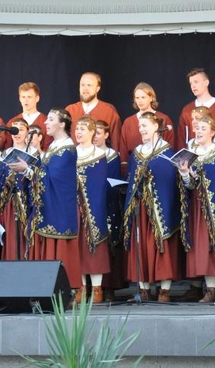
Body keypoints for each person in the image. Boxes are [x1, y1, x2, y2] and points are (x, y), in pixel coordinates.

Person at [12, 109, 81, 290]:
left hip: (59, 208)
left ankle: (63, 288)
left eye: (51, 120)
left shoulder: (67, 149)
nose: (46, 123)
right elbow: (46, 173)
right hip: (50, 206)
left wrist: (27, 169)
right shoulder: (55, 146)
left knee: (58, 249)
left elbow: (54, 178)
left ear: (62, 124)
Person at [123, 112, 181, 302]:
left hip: (159, 206)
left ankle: (164, 289)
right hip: (140, 205)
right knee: (141, 244)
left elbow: (169, 181)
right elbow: (132, 179)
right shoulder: (137, 153)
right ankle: (143, 288)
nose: (141, 130)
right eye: (140, 127)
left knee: (161, 244)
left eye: (145, 126)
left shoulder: (167, 153)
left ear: (156, 126)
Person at [178, 115, 215, 303]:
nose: (199, 131)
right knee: (204, 247)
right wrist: (186, 173)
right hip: (200, 207)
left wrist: (200, 175)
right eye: (197, 128)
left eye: (203, 128)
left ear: (212, 132)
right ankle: (211, 290)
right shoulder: (191, 154)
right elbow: (189, 186)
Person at [74, 117, 110, 303]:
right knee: (78, 245)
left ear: (91, 132)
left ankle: (97, 288)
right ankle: (81, 286)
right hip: (75, 206)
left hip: (93, 206)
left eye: (83, 129)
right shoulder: (72, 153)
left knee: (95, 244)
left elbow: (99, 184)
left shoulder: (99, 155)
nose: (78, 132)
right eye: (77, 129)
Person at [0, 119, 38, 261]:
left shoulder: (35, 153)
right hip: (10, 202)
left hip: (29, 201)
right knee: (12, 237)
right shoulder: (5, 154)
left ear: (27, 132)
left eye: (21, 129)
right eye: (14, 129)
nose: (17, 133)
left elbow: (39, 176)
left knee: (26, 235)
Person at [94, 119, 125, 301]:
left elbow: (113, 179)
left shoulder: (112, 155)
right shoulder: (87, 153)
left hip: (110, 202)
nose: (96, 137)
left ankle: (110, 286)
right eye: (94, 133)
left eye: (99, 133)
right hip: (94, 202)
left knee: (111, 241)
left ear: (106, 135)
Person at [119, 82, 174, 173]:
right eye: (137, 98)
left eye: (143, 97)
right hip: (135, 168)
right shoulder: (128, 122)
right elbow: (123, 149)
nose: (140, 101)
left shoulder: (163, 119)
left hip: (158, 167)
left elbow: (170, 146)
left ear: (151, 98)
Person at [65, 72, 123, 154]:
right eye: (82, 85)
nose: (85, 89)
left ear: (97, 88)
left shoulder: (109, 111)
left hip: (100, 161)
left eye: (89, 85)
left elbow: (116, 141)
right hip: (73, 160)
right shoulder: (70, 110)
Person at [176, 68, 215, 151]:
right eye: (191, 83)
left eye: (196, 82)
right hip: (191, 156)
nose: (193, 86)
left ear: (206, 82)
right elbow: (181, 138)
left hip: (213, 155)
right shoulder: (187, 110)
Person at [5, 82, 51, 152]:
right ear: (19, 99)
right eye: (23, 97)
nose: (26, 100)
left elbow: (48, 148)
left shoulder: (46, 121)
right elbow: (7, 146)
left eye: (29, 97)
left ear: (37, 98)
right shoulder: (12, 122)